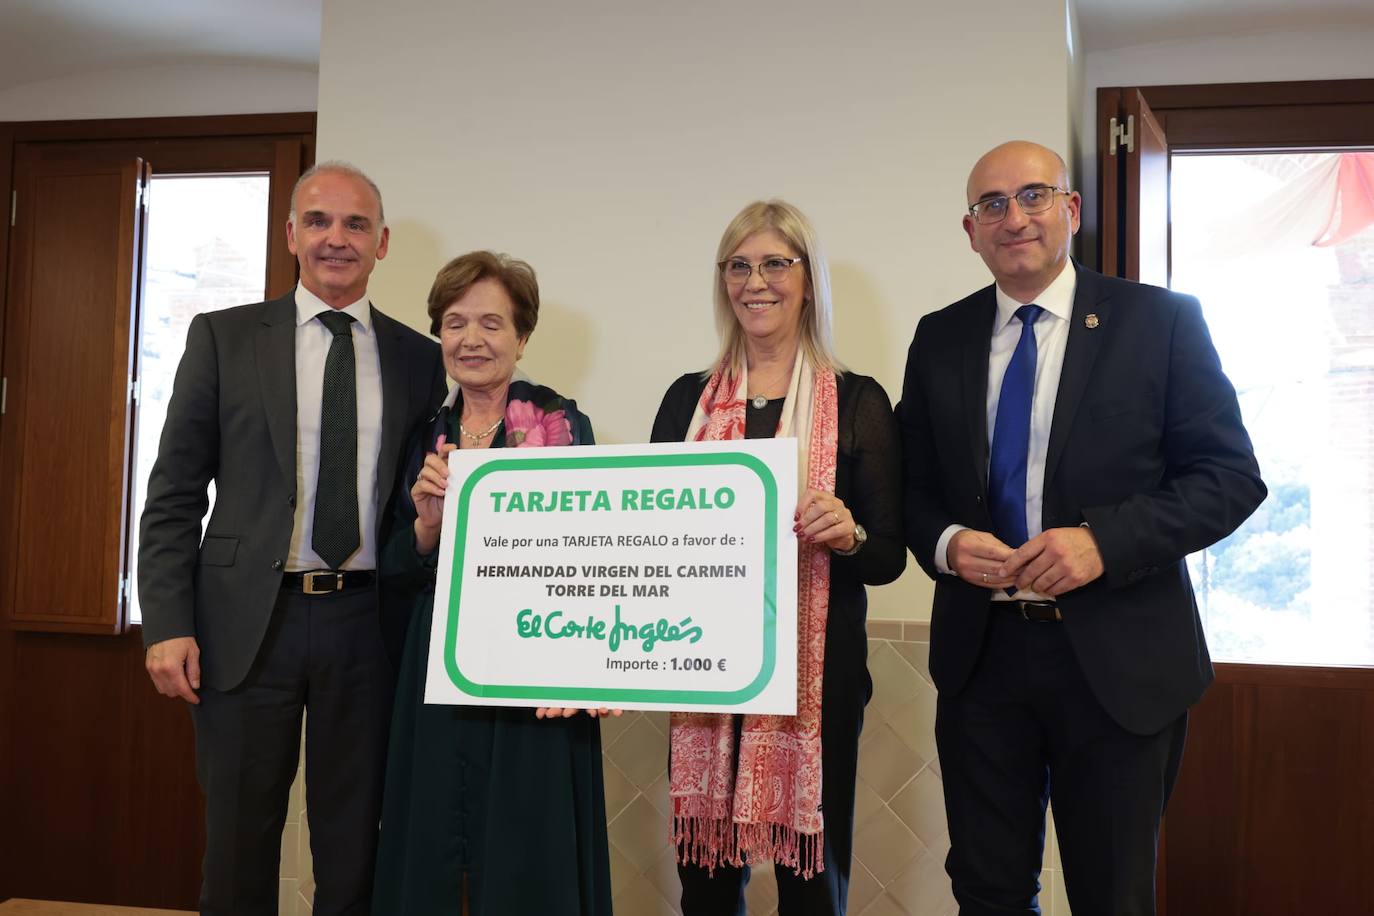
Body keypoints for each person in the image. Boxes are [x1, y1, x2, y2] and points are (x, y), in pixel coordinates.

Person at [897, 140, 1266, 915]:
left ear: (1070, 210)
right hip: (981, 662)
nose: (1013, 217)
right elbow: (911, 486)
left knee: (1112, 895)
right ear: (970, 232)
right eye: (991, 205)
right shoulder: (941, 337)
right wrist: (946, 545)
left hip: (1119, 664)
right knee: (988, 893)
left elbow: (1230, 479)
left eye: (1033, 196)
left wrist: (1104, 541)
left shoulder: (1159, 322)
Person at [138, 161, 446, 914]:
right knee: (240, 840)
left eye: (355, 225)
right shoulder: (224, 338)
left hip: (369, 625)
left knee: (356, 845)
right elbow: (174, 494)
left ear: (381, 244)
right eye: (318, 221)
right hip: (247, 624)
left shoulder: (420, 358)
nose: (335, 239)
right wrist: (168, 625)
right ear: (290, 236)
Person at [652, 200, 906, 915]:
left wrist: (847, 532)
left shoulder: (856, 402)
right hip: (701, 672)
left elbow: (888, 556)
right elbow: (651, 536)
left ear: (807, 279)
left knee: (811, 884)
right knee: (705, 880)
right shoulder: (687, 403)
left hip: (815, 681)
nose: (754, 282)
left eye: (773, 264)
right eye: (738, 265)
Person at [371, 250, 613, 915]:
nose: (471, 339)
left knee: (527, 843)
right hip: (437, 658)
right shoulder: (424, 433)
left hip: (536, 661)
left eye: (491, 323)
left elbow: (592, 554)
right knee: (435, 841)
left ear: (522, 335)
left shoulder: (563, 425)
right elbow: (396, 565)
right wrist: (426, 530)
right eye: (454, 323)